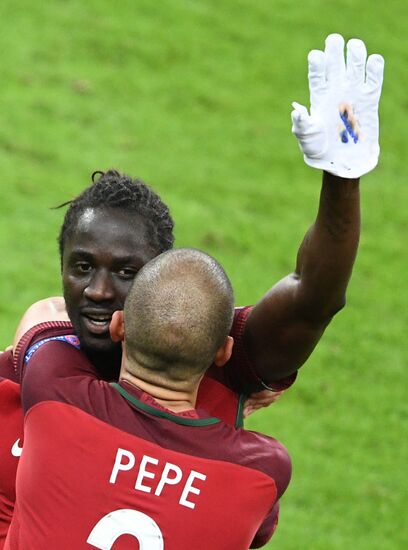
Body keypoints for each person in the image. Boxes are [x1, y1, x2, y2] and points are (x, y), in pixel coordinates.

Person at [0, 33, 384, 545]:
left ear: (165, 275)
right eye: (82, 267)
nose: (97, 291)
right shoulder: (13, 380)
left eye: (127, 273)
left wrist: (343, 179)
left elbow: (313, 299)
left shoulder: (44, 368)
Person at [6, 248, 292, 549]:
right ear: (224, 351)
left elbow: (45, 314)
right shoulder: (263, 468)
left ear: (118, 326)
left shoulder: (54, 388)